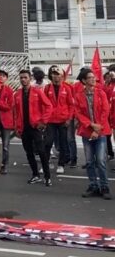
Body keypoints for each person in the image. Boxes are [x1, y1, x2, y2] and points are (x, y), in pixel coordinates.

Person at [73, 67, 111, 199]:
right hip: (87, 132)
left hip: (100, 132)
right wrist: (90, 125)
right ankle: (93, 185)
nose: (93, 79)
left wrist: (97, 128)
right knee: (89, 161)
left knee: (100, 160)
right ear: (84, 80)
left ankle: (104, 186)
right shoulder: (78, 96)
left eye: (93, 77)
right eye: (90, 77)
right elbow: (78, 113)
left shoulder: (101, 93)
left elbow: (105, 111)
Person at [14, 69, 53, 185]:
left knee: (41, 151)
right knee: (29, 153)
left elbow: (49, 106)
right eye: (21, 78)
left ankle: (47, 176)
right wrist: (16, 128)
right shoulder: (17, 94)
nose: (23, 80)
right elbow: (15, 113)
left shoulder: (38, 91)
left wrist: (43, 121)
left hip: (36, 127)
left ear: (30, 78)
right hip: (24, 128)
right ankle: (35, 174)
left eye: (25, 77)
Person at [44, 66, 74, 175]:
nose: (56, 76)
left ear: (62, 76)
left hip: (63, 120)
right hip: (50, 120)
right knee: (48, 142)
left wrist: (69, 119)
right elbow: (44, 105)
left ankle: (61, 164)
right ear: (51, 76)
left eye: (58, 74)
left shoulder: (67, 88)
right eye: (54, 74)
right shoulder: (47, 88)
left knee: (63, 143)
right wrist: (44, 119)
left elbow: (71, 105)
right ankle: (45, 163)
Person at [103, 70, 115, 159]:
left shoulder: (112, 87)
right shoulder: (105, 87)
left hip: (112, 114)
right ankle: (109, 153)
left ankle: (110, 153)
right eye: (107, 77)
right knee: (107, 135)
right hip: (108, 114)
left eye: (110, 77)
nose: (109, 78)